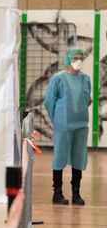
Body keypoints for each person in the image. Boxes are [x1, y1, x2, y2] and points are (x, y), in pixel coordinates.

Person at [43, 47, 91, 205]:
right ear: (68, 59)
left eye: (80, 58)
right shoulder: (59, 79)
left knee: (78, 158)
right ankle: (57, 193)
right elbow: (49, 102)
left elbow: (87, 99)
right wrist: (57, 119)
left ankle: (76, 193)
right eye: (74, 58)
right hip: (63, 125)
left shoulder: (86, 79)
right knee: (59, 157)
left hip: (81, 124)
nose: (77, 61)